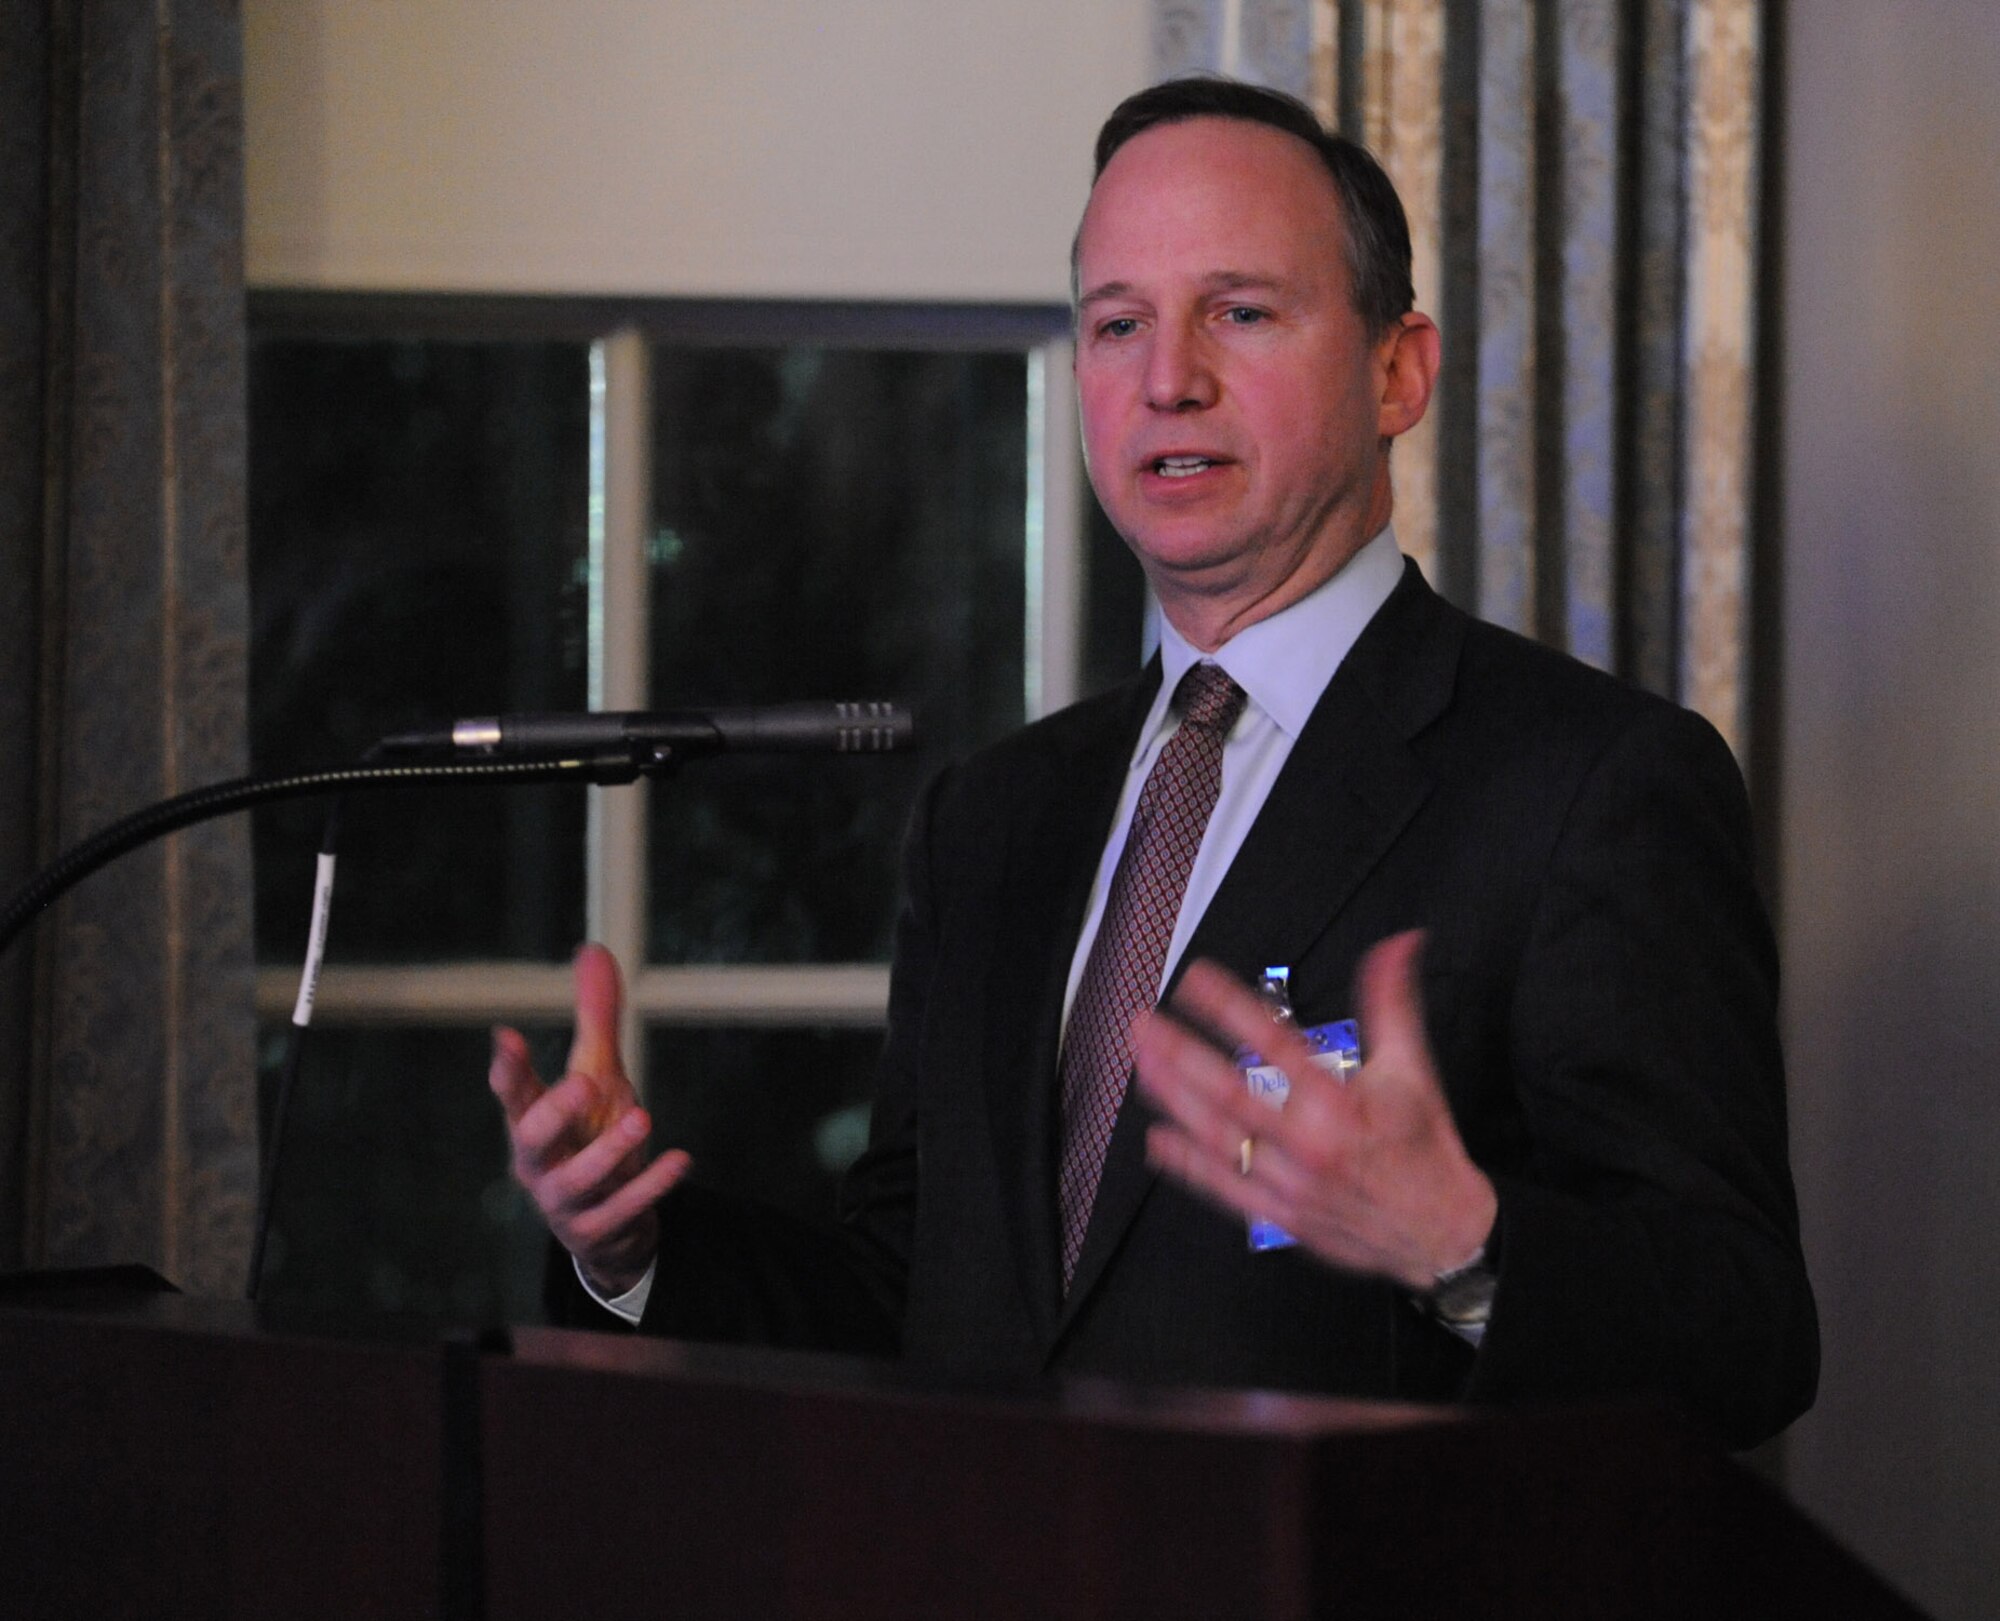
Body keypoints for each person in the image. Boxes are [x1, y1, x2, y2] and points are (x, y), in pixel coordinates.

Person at [488, 78, 1817, 1448]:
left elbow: (1748, 1336)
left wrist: (1464, 1246)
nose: (1168, 378)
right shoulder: (993, 818)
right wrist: (636, 1252)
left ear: (1398, 372)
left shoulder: (1591, 785)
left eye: (1239, 312)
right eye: (1119, 323)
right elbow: (913, 1299)